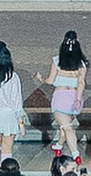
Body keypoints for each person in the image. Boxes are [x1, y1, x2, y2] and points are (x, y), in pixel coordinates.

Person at [36, 33, 87, 165]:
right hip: (74, 97)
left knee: (68, 128)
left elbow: (50, 80)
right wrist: (78, 99)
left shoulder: (57, 61)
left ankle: (75, 154)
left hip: (60, 98)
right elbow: (81, 83)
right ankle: (58, 146)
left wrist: (41, 78)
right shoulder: (81, 64)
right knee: (65, 126)